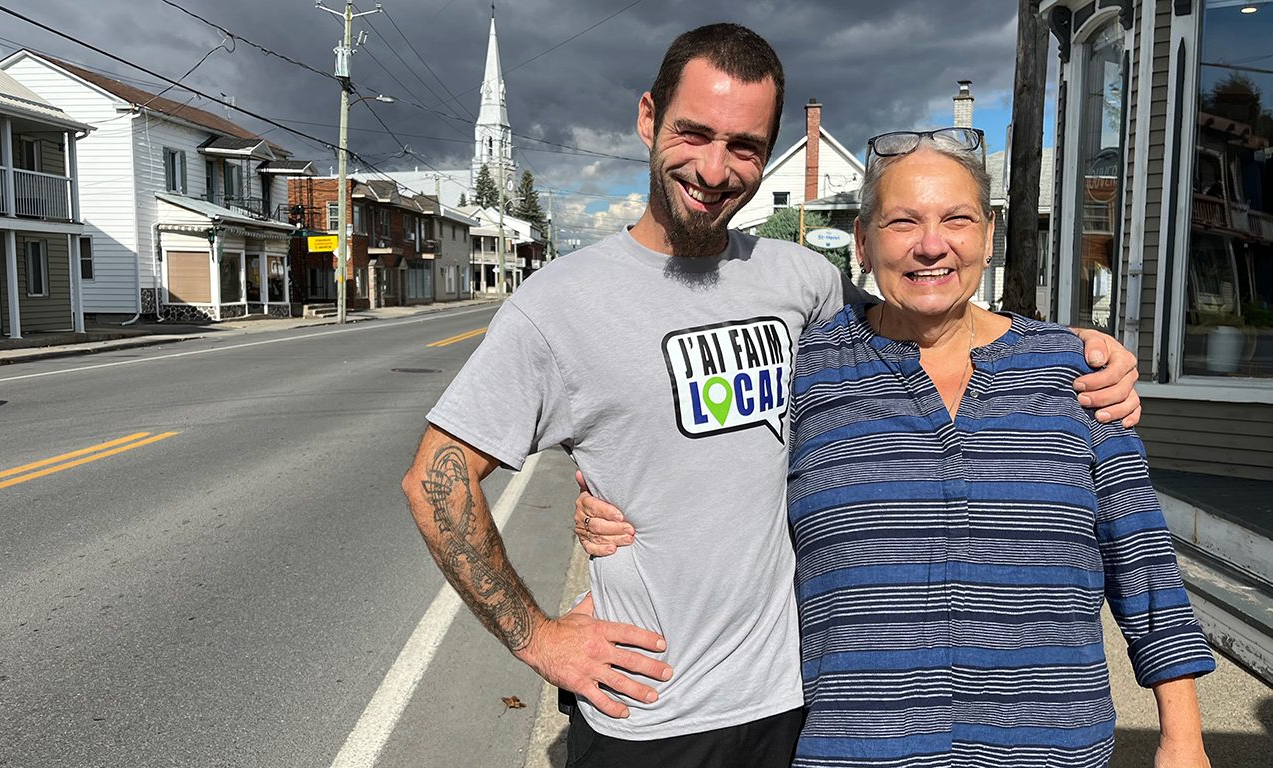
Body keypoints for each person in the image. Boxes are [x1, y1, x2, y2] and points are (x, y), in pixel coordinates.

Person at [402, 24, 1141, 768]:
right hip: (655, 711)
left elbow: (927, 317)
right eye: (693, 132)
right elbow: (435, 482)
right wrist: (540, 639)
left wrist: (1067, 345)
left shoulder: (803, 283)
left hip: (798, 701)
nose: (715, 168)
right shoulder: (557, 305)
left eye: (746, 146)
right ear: (648, 118)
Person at [577, 128, 1214, 767]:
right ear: (862, 242)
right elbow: (703, 466)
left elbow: (1144, 561)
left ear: (989, 236)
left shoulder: (1074, 374)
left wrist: (1182, 738)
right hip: (856, 749)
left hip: (1050, 747)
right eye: (902, 221)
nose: (931, 245)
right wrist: (612, 503)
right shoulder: (805, 370)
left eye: (956, 220)